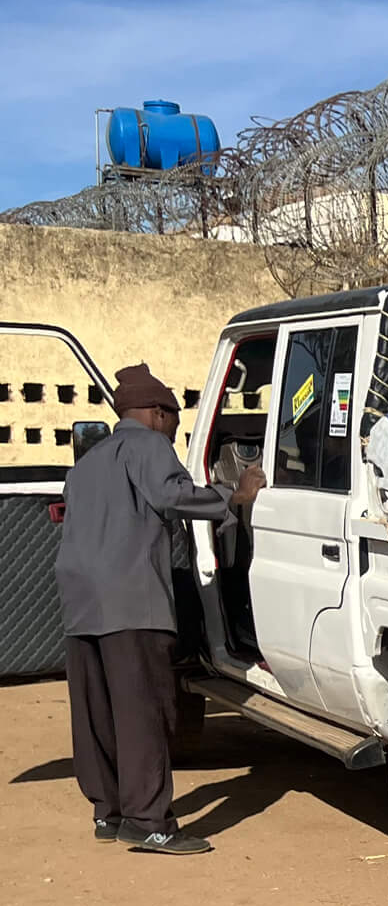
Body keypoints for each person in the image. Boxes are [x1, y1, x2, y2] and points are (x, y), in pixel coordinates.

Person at [55, 364, 263, 855]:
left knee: (96, 711)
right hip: (131, 600)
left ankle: (108, 812)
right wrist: (233, 496)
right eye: (173, 417)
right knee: (141, 710)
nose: (175, 427)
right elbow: (172, 494)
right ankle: (149, 822)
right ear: (155, 413)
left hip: (80, 600)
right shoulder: (148, 446)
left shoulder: (88, 461)